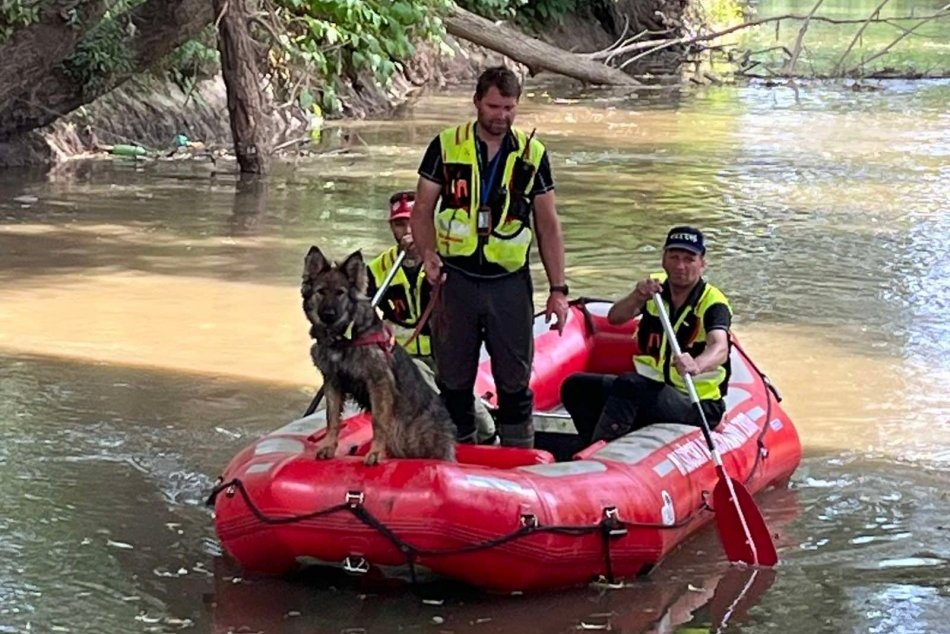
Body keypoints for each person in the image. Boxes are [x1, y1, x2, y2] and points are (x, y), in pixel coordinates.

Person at [410, 66, 569, 448]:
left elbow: (548, 225)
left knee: (514, 382)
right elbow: (421, 209)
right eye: (494, 106)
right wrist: (428, 253)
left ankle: (519, 456)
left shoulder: (532, 155)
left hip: (508, 283)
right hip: (455, 279)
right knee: (453, 382)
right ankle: (457, 456)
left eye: (509, 108)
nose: (502, 115)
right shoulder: (447, 145)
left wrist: (558, 289)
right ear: (477, 102)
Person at [561, 226, 732, 445]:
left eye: (689, 259)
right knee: (576, 386)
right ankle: (593, 444)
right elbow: (615, 318)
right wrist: (637, 296)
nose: (680, 266)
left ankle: (600, 448)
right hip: (652, 391)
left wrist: (697, 364)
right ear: (663, 259)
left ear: (702, 263)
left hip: (695, 401)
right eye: (674, 257)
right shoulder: (655, 289)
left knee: (630, 385)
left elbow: (719, 347)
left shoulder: (713, 302)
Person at [367, 191, 496, 444]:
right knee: (420, 378)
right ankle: (439, 433)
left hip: (445, 351)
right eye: (399, 224)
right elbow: (360, 318)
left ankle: (491, 438)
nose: (406, 231)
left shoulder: (449, 263)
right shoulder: (376, 270)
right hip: (402, 357)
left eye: (412, 222)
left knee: (468, 405)